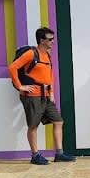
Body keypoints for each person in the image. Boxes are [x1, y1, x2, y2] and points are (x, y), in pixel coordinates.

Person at [8, 27, 76, 165]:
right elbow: (12, 67)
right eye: (50, 39)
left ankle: (59, 154)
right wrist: (20, 86)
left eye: (53, 39)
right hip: (32, 96)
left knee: (58, 121)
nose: (52, 42)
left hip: (46, 96)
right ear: (41, 40)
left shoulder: (47, 55)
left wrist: (51, 93)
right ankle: (35, 155)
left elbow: (50, 76)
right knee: (33, 126)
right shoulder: (31, 54)